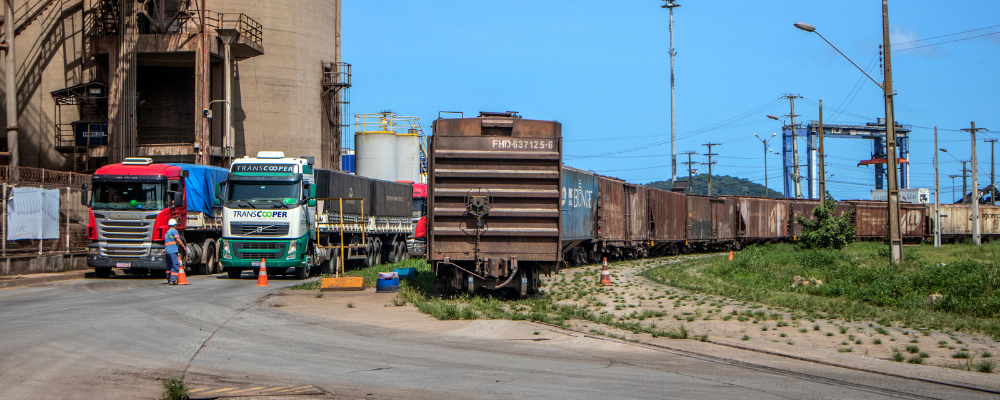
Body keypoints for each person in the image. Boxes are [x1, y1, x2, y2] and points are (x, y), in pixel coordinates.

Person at [165, 219, 186, 285]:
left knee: (168, 266)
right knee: (175, 265)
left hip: (167, 251)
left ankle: (169, 279)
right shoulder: (174, 231)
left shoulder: (167, 232)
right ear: (174, 225)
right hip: (173, 251)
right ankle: (172, 280)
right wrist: (184, 247)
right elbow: (178, 240)